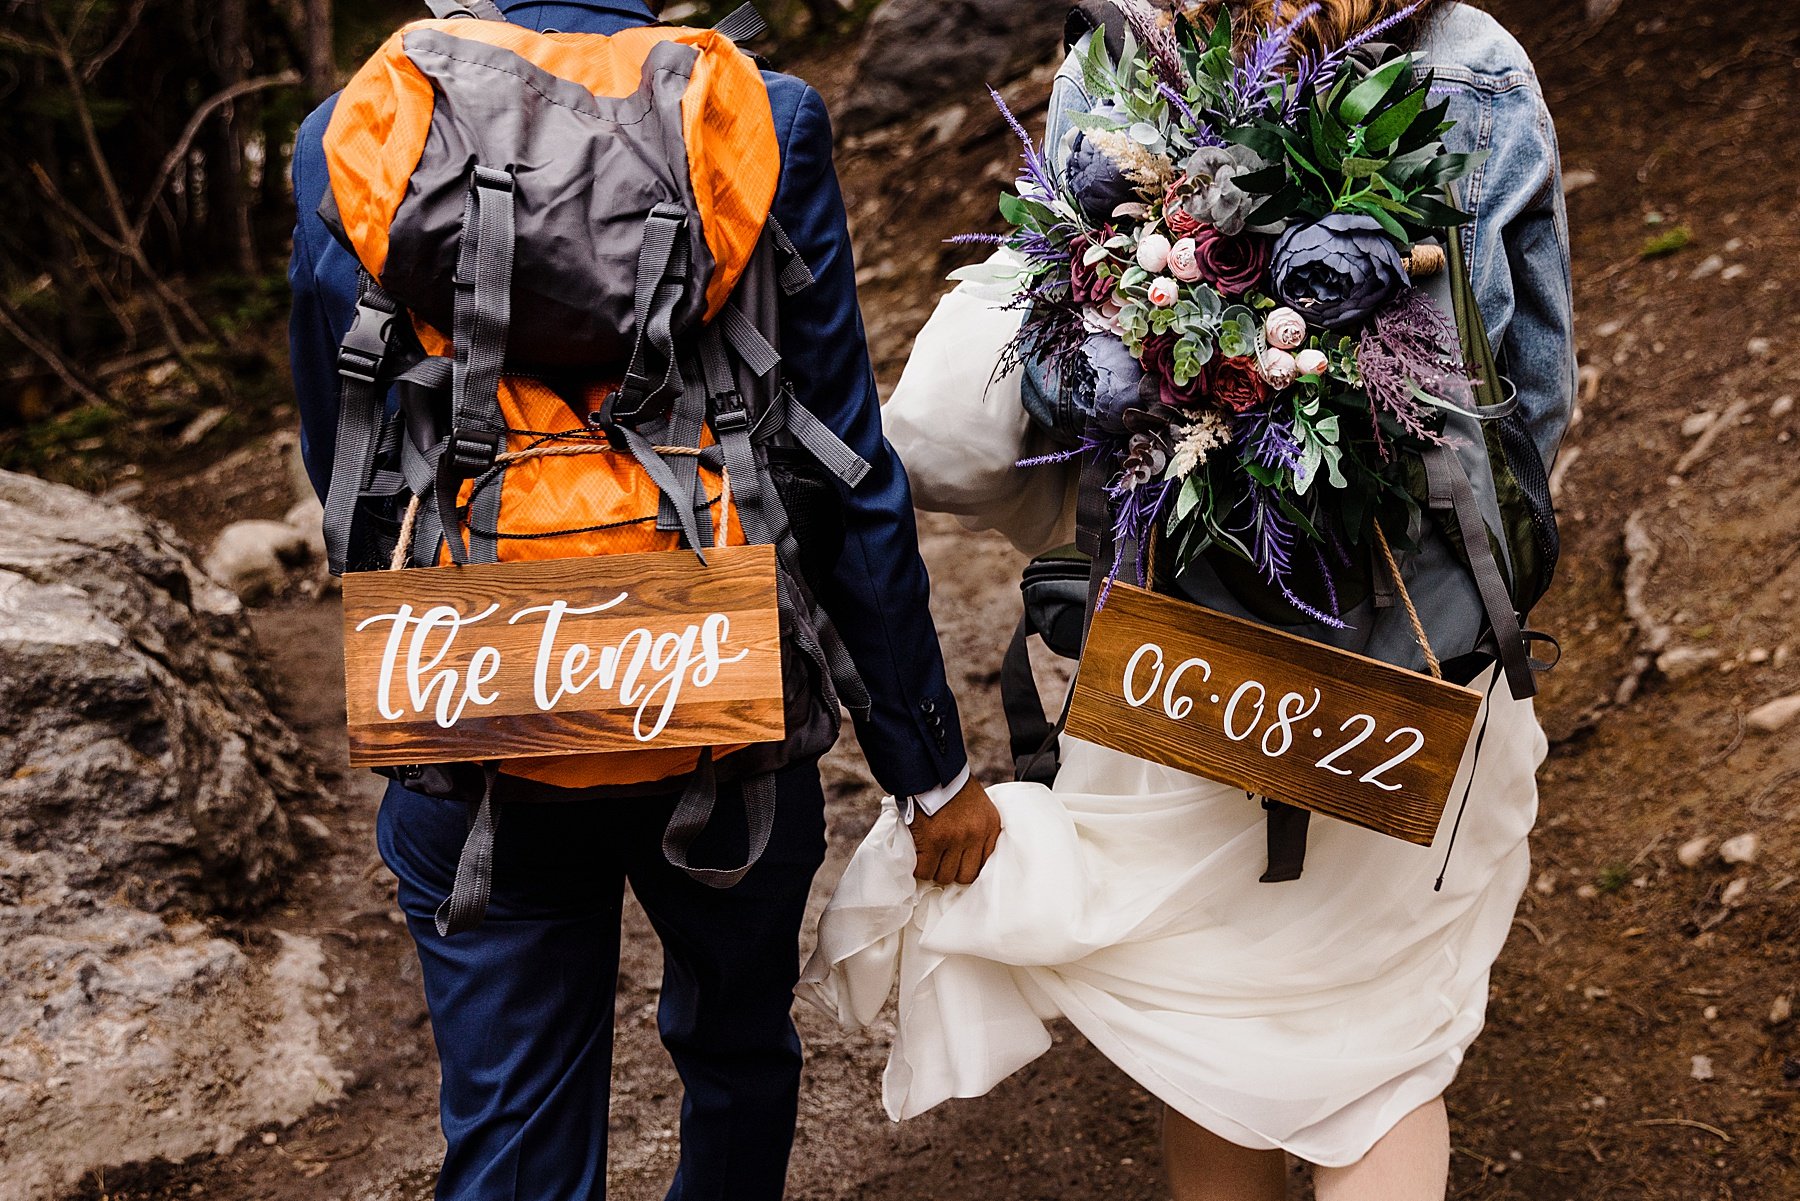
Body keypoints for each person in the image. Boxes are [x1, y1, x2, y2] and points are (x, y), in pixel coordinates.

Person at [800, 3, 1576, 1200]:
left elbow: (1056, 376)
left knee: (1210, 1020)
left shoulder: (1121, 57)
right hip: (1417, 650)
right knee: (1383, 1052)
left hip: (1176, 648)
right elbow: (1533, 382)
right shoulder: (1472, 60)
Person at [287, 2, 1003, 1197]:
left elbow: (344, 449)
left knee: (510, 1125)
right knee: (736, 1057)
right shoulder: (759, 116)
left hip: (478, 698)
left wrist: (444, 599)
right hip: (719, 688)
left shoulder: (349, 130)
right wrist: (925, 763)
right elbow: (841, 471)